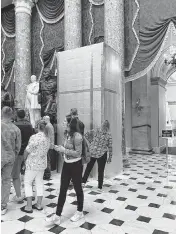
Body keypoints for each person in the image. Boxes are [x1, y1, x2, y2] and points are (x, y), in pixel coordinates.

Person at [46, 118, 84, 225]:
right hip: (67, 164)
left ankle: (80, 211)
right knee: (63, 189)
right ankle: (57, 215)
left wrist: (64, 150)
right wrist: (59, 148)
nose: (63, 124)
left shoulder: (77, 136)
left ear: (70, 125)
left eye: (65, 123)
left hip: (76, 165)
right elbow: (66, 149)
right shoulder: (67, 134)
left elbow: (78, 153)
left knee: (78, 189)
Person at [21, 120, 50, 213]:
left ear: (37, 127)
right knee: (39, 183)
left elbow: (27, 150)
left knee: (28, 183)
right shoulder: (47, 138)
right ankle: (38, 205)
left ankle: (29, 206)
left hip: (32, 164)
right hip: (42, 164)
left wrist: (24, 160)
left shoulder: (34, 137)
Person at [82, 120, 112, 192]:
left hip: (95, 153)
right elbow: (110, 147)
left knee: (90, 168)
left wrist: (91, 144)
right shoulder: (107, 134)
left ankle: (83, 183)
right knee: (100, 170)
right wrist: (110, 157)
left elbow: (86, 135)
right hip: (100, 153)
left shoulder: (97, 131)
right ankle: (99, 187)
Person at [1, 106, 21, 215]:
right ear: (12, 115)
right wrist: (12, 154)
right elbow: (18, 147)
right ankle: (3, 206)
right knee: (6, 181)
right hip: (9, 157)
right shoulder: (16, 129)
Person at [11, 109, 33, 203]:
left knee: (16, 175)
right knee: (28, 174)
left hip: (18, 152)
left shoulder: (15, 125)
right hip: (28, 152)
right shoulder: (29, 125)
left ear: (17, 115)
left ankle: (19, 195)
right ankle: (29, 194)